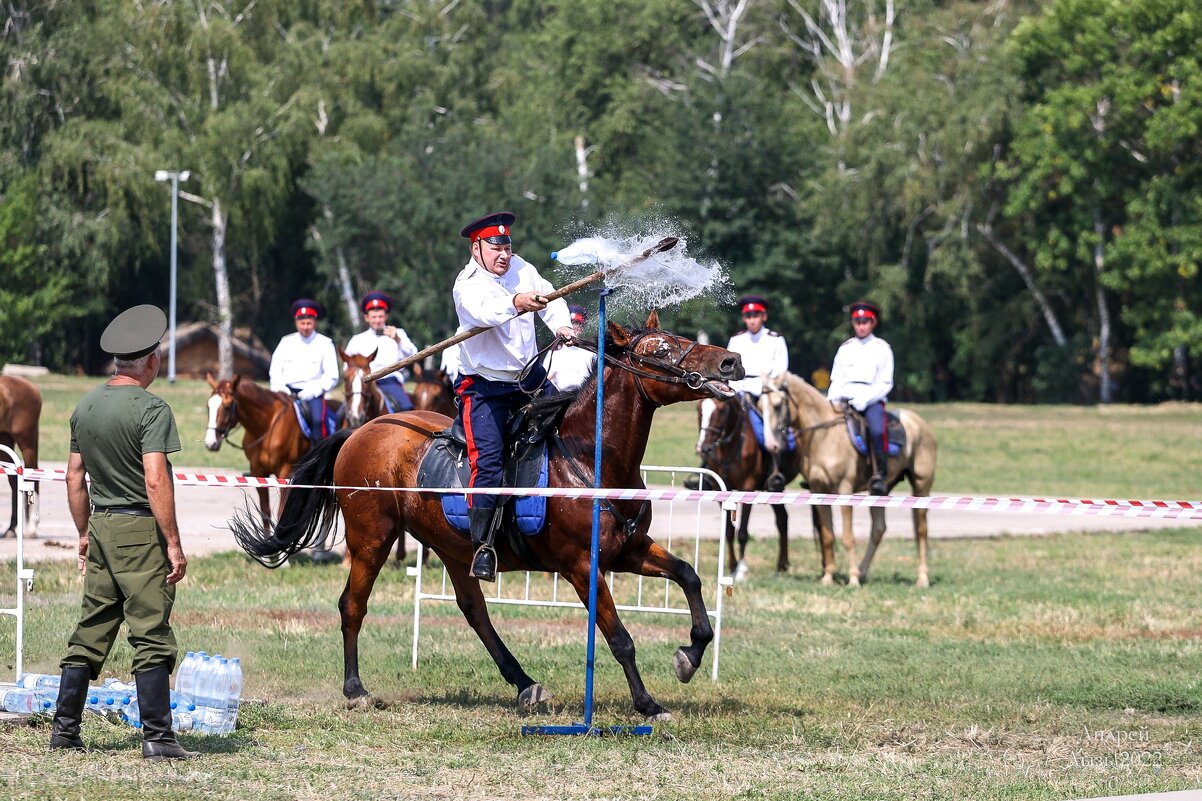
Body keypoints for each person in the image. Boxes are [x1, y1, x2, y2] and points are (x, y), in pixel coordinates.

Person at [50, 304, 198, 760]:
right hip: (139, 530)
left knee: (92, 627)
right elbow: (156, 479)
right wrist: (172, 542)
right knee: (151, 630)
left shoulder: (85, 405)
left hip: (101, 526)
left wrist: (83, 532)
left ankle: (65, 732)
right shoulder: (152, 409)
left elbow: (74, 477)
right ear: (150, 360)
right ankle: (158, 737)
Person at [452, 211, 575, 581]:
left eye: (507, 246)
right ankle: (484, 547)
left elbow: (551, 298)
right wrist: (517, 302)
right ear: (477, 249)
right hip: (485, 385)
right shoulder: (466, 285)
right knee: (488, 464)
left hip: (529, 378)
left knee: (573, 427)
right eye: (495, 247)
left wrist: (561, 324)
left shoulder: (522, 267)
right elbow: (485, 313)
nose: (504, 254)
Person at [827, 300, 894, 495]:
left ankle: (879, 474)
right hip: (844, 397)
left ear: (873, 323)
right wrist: (831, 400)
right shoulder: (845, 348)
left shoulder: (882, 348)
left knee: (876, 430)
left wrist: (865, 399)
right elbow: (836, 378)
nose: (861, 325)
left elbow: (885, 383)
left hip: (871, 399)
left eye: (865, 321)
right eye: (857, 321)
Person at [269, 299, 340, 447]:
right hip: (285, 392)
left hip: (312, 394)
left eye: (309, 323)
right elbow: (275, 370)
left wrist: (313, 391)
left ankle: (316, 456)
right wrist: (280, 388)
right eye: (302, 323)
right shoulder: (286, 342)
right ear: (296, 322)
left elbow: (332, 376)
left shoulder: (325, 343)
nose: (306, 327)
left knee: (317, 421)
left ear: (315, 322)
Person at [344, 291, 417, 412]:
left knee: (407, 408)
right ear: (367, 317)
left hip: (389, 382)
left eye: (380, 316)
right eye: (373, 317)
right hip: (363, 384)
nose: (377, 320)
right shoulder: (357, 339)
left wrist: (398, 340)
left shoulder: (398, 333)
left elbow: (414, 355)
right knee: (343, 413)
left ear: (386, 316)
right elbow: (347, 365)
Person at [542, 304, 596, 391]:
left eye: (577, 323)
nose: (573, 327)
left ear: (582, 327)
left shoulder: (591, 352)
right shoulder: (555, 353)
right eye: (571, 323)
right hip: (560, 396)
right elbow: (546, 378)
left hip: (583, 395)